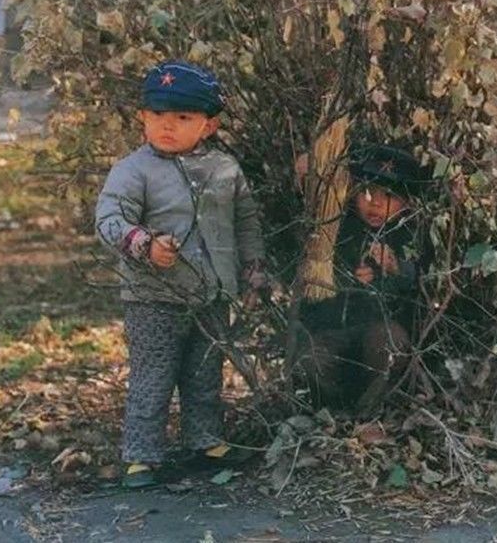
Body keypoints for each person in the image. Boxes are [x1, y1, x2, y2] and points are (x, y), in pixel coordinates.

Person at [96, 60, 265, 487]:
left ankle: (204, 441)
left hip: (211, 293)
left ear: (208, 125)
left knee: (205, 372)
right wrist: (144, 244)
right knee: (153, 375)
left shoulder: (225, 170)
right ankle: (141, 455)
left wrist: (253, 270)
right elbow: (108, 217)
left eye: (183, 118)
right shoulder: (133, 171)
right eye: (157, 116)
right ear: (142, 118)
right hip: (153, 296)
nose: (167, 126)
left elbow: (246, 223)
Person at [294, 144, 431, 412]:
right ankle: (333, 415)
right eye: (367, 192)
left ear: (406, 204)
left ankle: (371, 413)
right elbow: (297, 233)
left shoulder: (409, 235)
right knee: (312, 360)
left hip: (380, 331)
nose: (376, 202)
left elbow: (423, 280)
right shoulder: (337, 226)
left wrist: (394, 269)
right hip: (333, 327)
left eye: (389, 195)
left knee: (388, 346)